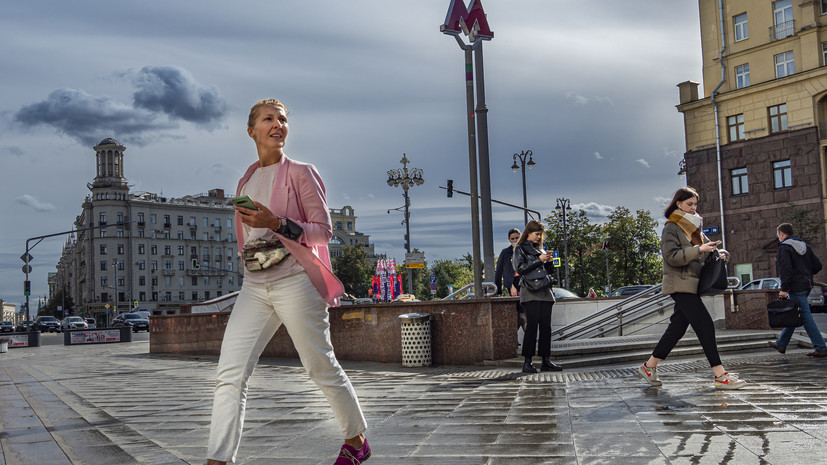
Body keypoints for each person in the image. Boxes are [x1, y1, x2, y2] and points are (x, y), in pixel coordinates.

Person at [206, 99, 370, 465]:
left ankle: (356, 439)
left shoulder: (301, 173)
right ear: (252, 131)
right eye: (269, 119)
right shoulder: (246, 179)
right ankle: (218, 459)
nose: (278, 124)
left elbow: (323, 232)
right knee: (230, 373)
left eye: (282, 119)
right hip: (254, 284)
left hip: (295, 279)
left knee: (318, 365)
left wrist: (277, 223)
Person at [638, 187, 746, 390]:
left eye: (695, 204)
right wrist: (699, 249)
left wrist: (719, 253)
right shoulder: (672, 227)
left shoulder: (694, 227)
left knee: (677, 328)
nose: (693, 208)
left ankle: (649, 366)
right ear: (678, 204)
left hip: (691, 284)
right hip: (679, 284)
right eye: (689, 204)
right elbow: (671, 257)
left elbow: (705, 252)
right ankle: (720, 375)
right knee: (705, 325)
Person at [768, 223, 827, 357]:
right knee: (794, 313)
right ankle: (781, 344)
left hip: (795, 286)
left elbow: (786, 270)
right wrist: (806, 274)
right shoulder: (804, 245)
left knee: (805, 316)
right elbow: (818, 265)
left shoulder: (784, 247)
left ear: (781, 234)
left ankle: (821, 347)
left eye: (778, 235)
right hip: (806, 285)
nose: (778, 237)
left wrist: (784, 289)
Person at [512, 220, 562, 373]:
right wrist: (538, 260)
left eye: (541, 234)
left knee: (546, 327)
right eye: (537, 234)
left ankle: (546, 360)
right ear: (528, 232)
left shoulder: (540, 249)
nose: (539, 237)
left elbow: (545, 272)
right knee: (532, 326)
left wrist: (549, 263)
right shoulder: (520, 248)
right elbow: (520, 269)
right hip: (530, 291)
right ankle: (527, 361)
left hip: (545, 291)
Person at [494, 228, 526, 332]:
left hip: (525, 283)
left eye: (517, 238)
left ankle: (512, 337)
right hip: (513, 284)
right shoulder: (505, 252)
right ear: (509, 239)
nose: (515, 240)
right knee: (521, 312)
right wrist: (499, 289)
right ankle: (529, 338)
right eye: (512, 239)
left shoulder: (525, 251)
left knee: (521, 313)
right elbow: (499, 271)